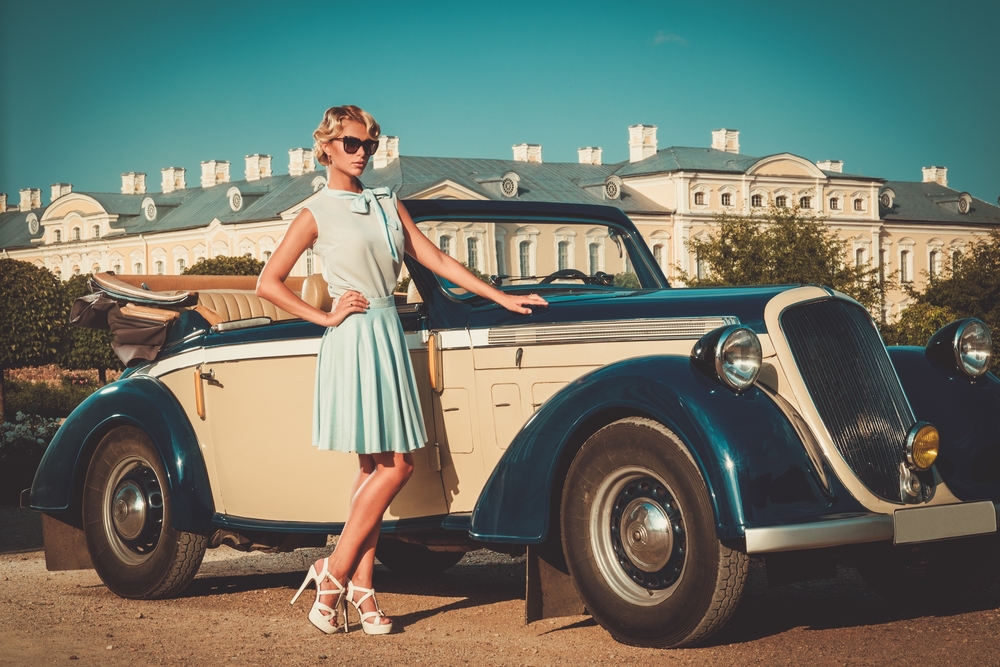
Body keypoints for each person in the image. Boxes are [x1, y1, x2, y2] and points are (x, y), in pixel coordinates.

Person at [256, 105, 547, 635]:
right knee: (398, 467)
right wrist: (325, 315)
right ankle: (333, 573)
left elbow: (434, 258)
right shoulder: (314, 212)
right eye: (351, 143)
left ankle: (362, 593)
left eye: (370, 143)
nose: (363, 151)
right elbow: (268, 283)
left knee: (373, 471)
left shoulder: (387, 202)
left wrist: (500, 296)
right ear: (325, 147)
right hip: (353, 338)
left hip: (387, 332)